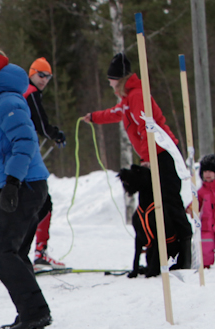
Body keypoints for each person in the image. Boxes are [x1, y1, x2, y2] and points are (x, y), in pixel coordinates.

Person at [82, 52, 192, 270]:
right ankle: (162, 252)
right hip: (154, 154)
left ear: (119, 79)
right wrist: (94, 117)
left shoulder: (137, 95)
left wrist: (146, 159)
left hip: (163, 154)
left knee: (171, 202)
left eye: (111, 79)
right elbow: (116, 113)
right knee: (158, 204)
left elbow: (146, 128)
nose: (109, 83)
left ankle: (186, 254)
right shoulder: (127, 99)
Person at [0, 49, 52, 329]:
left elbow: (25, 142)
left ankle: (35, 313)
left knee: (4, 252)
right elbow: (4, 150)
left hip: (26, 184)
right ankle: (32, 311)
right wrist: (0, 188)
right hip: (24, 182)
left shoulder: (6, 101)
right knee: (14, 251)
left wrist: (13, 183)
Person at [23, 58, 67, 270]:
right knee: (42, 202)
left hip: (19, 154)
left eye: (48, 77)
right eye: (41, 75)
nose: (44, 80)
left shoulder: (22, 91)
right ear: (31, 73)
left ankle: (26, 253)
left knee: (36, 202)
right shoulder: (30, 93)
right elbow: (41, 123)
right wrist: (56, 134)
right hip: (26, 155)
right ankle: (36, 253)